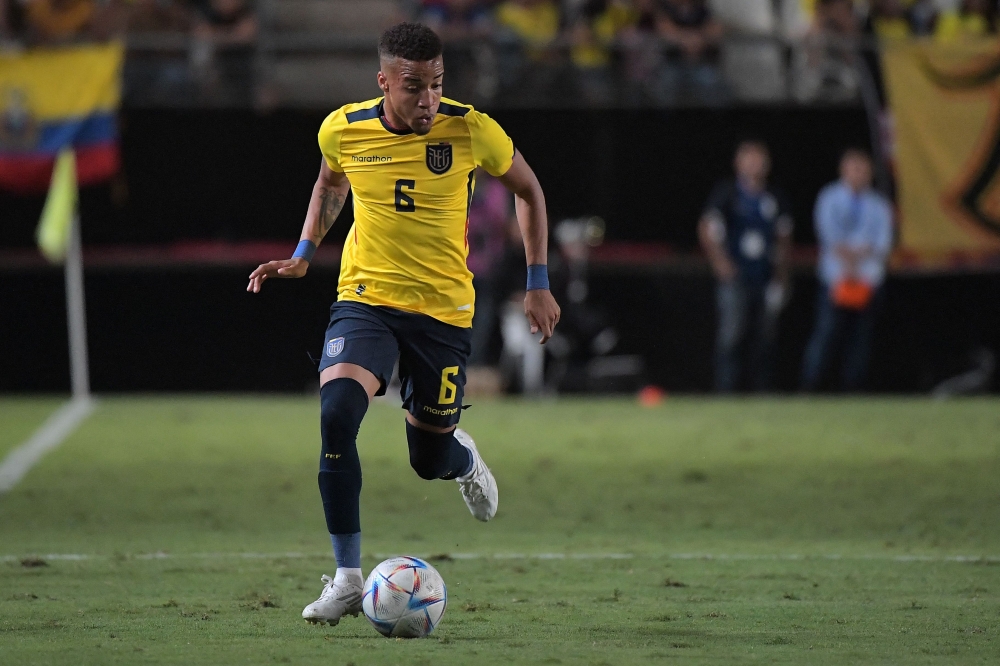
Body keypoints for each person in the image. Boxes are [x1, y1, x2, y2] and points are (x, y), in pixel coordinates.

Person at [246, 22, 560, 627]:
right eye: (415, 87)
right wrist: (304, 254)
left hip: (443, 312)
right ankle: (345, 578)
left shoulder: (470, 129)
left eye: (437, 85)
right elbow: (330, 182)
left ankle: (461, 460)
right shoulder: (343, 128)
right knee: (337, 411)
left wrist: (538, 281)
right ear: (384, 81)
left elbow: (529, 191)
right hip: (366, 298)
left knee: (428, 457)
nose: (428, 100)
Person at [699, 140, 793, 392]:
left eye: (759, 159)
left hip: (764, 277)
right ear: (737, 163)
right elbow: (707, 227)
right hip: (736, 277)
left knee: (765, 338)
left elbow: (783, 240)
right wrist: (721, 263)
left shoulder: (774, 197)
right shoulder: (726, 193)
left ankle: (762, 393)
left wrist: (781, 280)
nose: (754, 165)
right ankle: (725, 392)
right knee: (731, 336)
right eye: (748, 159)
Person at [801, 148, 893, 392]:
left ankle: (853, 390)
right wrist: (849, 260)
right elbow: (827, 235)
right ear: (843, 170)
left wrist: (859, 258)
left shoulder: (879, 205)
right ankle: (811, 387)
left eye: (863, 169)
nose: (858, 173)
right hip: (835, 279)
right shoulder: (829, 198)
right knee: (827, 334)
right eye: (853, 168)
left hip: (867, 281)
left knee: (861, 340)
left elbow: (882, 243)